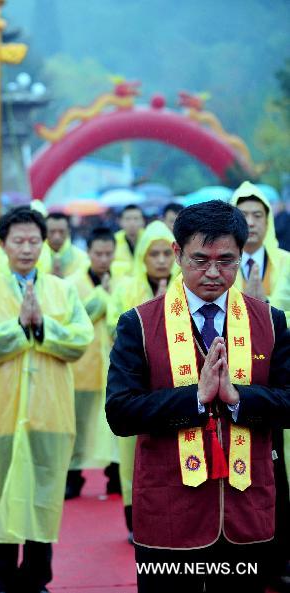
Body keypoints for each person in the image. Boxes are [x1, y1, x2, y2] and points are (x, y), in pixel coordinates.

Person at [106, 200, 290, 593]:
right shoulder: (138, 323)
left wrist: (238, 398)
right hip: (170, 507)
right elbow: (119, 413)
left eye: (226, 260)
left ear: (242, 254)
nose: (212, 273)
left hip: (246, 509)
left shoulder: (270, 322)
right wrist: (196, 398)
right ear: (176, 254)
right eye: (199, 259)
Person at [0, 207, 93, 593]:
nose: (27, 248)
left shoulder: (62, 290)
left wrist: (43, 327)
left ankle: (37, 578)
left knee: (45, 493)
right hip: (0, 410)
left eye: (34, 240)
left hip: (51, 411)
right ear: (2, 245)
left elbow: (80, 339)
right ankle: (3, 578)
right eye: (18, 240)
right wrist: (19, 328)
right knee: (3, 494)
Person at [105, 220, 176, 539]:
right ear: (142, 258)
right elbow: (111, 328)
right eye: (153, 254)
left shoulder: (184, 288)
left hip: (174, 385)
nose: (161, 260)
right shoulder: (125, 288)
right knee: (130, 455)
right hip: (135, 385)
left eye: (166, 253)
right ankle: (135, 521)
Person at [64, 227, 119, 499]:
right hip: (82, 367)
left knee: (114, 425)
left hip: (114, 367)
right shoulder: (73, 283)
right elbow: (76, 319)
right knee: (78, 425)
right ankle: (73, 477)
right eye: (98, 253)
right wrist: (101, 296)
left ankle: (116, 477)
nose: (104, 259)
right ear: (89, 252)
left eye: (109, 253)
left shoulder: (124, 281)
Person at [231, 181, 289, 301]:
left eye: (257, 215)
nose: (250, 223)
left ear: (268, 222)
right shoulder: (220, 263)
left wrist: (265, 305)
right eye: (243, 216)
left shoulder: (286, 262)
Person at [38, 212, 90, 278]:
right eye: (52, 232)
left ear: (68, 231)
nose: (57, 237)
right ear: (44, 232)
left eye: (61, 231)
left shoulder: (82, 258)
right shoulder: (37, 256)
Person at [112, 204, 146, 277]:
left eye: (136, 219)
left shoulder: (150, 238)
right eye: (128, 219)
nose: (132, 223)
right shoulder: (113, 241)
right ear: (120, 221)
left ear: (143, 221)